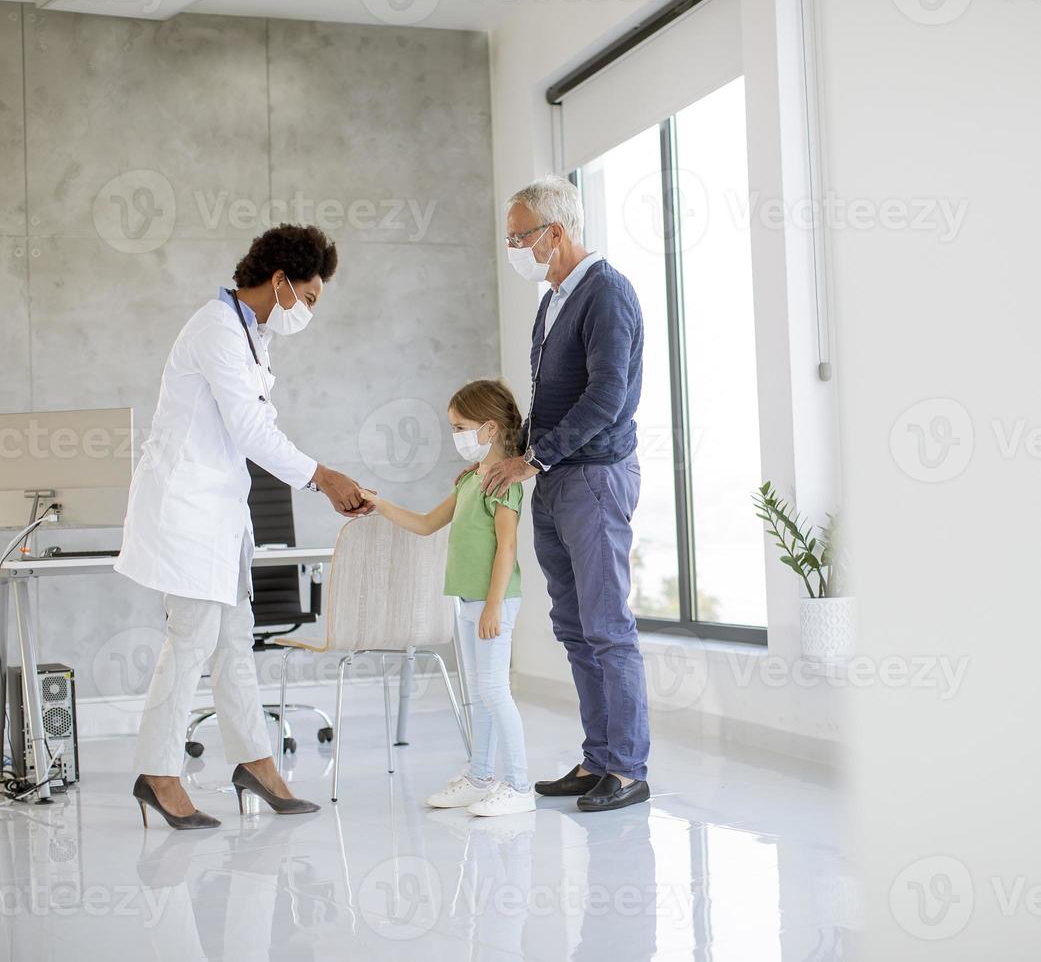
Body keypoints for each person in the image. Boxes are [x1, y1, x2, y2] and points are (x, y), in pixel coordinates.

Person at [115, 224, 372, 830]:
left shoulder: (251, 334)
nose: (308, 311)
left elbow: (257, 424)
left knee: (233, 642)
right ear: (280, 282)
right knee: (193, 640)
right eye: (307, 298)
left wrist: (319, 476)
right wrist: (324, 478)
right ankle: (157, 774)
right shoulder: (215, 330)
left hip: (221, 513)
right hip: (187, 510)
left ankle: (256, 763)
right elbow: (253, 434)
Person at [481, 176, 649, 812]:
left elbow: (608, 397)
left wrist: (537, 459)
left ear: (555, 232)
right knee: (575, 627)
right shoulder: (554, 298)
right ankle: (599, 758)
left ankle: (628, 768)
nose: (513, 248)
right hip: (553, 479)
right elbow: (548, 398)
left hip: (594, 479)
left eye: (519, 236)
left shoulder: (606, 292)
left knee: (607, 626)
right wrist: (510, 458)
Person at [362, 379, 533, 817]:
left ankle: (517, 785)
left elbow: (507, 547)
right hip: (467, 601)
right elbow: (424, 524)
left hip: (492, 603)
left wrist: (494, 605)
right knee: (476, 693)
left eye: (461, 427)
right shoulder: (470, 482)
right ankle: (479, 776)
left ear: (489, 429)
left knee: (495, 692)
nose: (455, 436)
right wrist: (377, 503)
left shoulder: (504, 481)